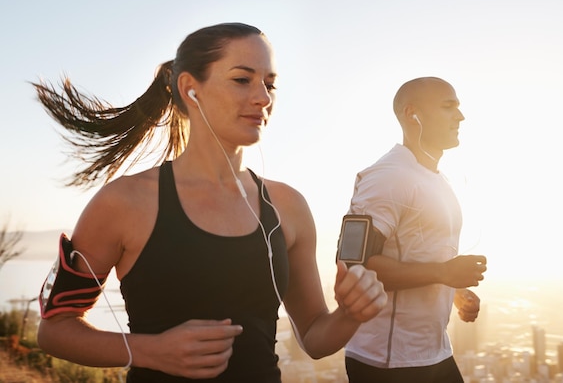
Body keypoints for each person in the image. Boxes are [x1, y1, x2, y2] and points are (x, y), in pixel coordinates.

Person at [33, 22, 387, 382]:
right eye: (242, 79)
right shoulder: (124, 202)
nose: (263, 97)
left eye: (270, 83)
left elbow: (313, 336)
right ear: (190, 88)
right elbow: (54, 330)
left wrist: (349, 315)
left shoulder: (289, 207)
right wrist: (149, 350)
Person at [342, 77, 487, 383]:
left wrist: (454, 289)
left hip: (433, 353)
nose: (460, 117)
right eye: (449, 108)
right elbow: (355, 266)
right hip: (386, 362)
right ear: (412, 114)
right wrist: (442, 273)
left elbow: (423, 257)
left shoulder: (439, 180)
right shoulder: (388, 177)